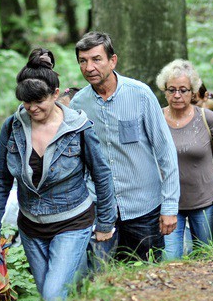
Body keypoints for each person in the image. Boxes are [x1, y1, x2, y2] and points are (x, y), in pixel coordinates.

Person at [0, 49, 116, 301]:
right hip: (31, 227)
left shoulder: (78, 128)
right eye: (25, 102)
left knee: (54, 297)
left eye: (38, 101)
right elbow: (0, 180)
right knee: (51, 298)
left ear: (56, 94)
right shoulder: (13, 127)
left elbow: (102, 175)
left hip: (73, 223)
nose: (32, 108)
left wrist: (105, 222)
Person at [69, 31, 179, 262]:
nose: (89, 67)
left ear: (112, 60)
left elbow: (166, 152)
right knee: (103, 281)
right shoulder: (78, 104)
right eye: (83, 61)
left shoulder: (140, 95)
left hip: (144, 209)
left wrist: (169, 206)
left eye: (96, 59)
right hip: (100, 210)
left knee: (148, 280)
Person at [156, 60, 213, 260]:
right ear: (164, 91)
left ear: (193, 92)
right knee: (170, 262)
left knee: (208, 259)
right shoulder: (155, 119)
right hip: (169, 206)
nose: (177, 95)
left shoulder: (208, 118)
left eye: (183, 90)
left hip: (204, 203)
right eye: (171, 89)